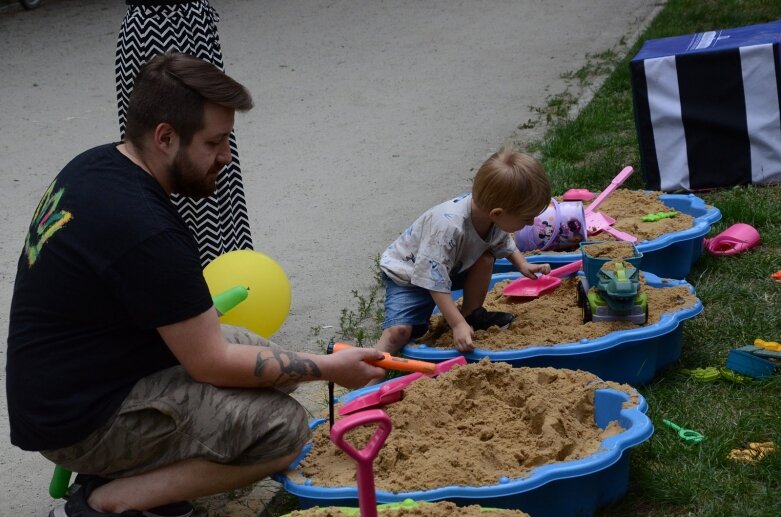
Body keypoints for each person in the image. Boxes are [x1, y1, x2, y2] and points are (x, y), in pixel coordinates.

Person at [6, 53, 386, 517]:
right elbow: (211, 362)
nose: (226, 157)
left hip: (78, 380)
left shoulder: (99, 165)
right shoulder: (146, 228)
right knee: (282, 428)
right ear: (165, 137)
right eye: (215, 142)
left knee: (260, 358)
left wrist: (317, 365)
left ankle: (133, 469)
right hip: (78, 421)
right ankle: (107, 501)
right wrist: (332, 368)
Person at [376, 147, 552, 357]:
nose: (531, 222)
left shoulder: (488, 215)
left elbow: (501, 240)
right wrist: (456, 324)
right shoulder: (448, 228)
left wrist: (522, 265)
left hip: (446, 269)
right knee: (400, 332)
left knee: (485, 257)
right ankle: (368, 373)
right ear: (497, 213)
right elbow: (432, 279)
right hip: (407, 277)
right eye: (526, 218)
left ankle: (472, 314)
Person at [116, 0, 253, 267]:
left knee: (213, 144)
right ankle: (187, 275)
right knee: (171, 157)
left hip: (194, 19)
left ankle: (234, 269)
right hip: (155, 22)